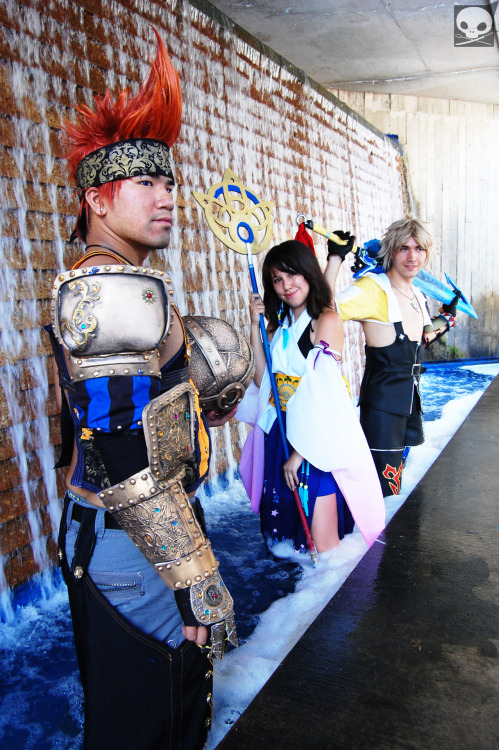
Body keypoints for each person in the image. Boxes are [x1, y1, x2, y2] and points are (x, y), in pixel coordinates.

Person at [45, 31, 237, 750]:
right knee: (160, 720)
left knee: (141, 716)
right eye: (146, 184)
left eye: (169, 182)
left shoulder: (110, 282)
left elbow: (98, 417)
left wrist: (195, 402)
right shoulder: (113, 290)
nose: (167, 198)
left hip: (113, 535)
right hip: (134, 541)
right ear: (98, 196)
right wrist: (196, 580)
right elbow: (123, 456)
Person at [237, 240, 385, 555]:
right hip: (281, 432)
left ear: (308, 273)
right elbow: (265, 382)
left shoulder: (326, 321)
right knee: (289, 536)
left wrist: (301, 453)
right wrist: (254, 325)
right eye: (277, 279)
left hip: (315, 440)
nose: (285, 285)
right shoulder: (280, 326)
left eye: (292, 275)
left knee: (324, 540)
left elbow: (327, 396)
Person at [326, 217, 460, 497]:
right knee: (380, 493)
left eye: (419, 249)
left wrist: (447, 316)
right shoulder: (372, 289)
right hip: (383, 409)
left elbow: (422, 337)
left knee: (396, 488)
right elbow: (324, 310)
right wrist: (335, 260)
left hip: (408, 405)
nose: (413, 257)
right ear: (391, 250)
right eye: (404, 248)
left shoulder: (416, 293)